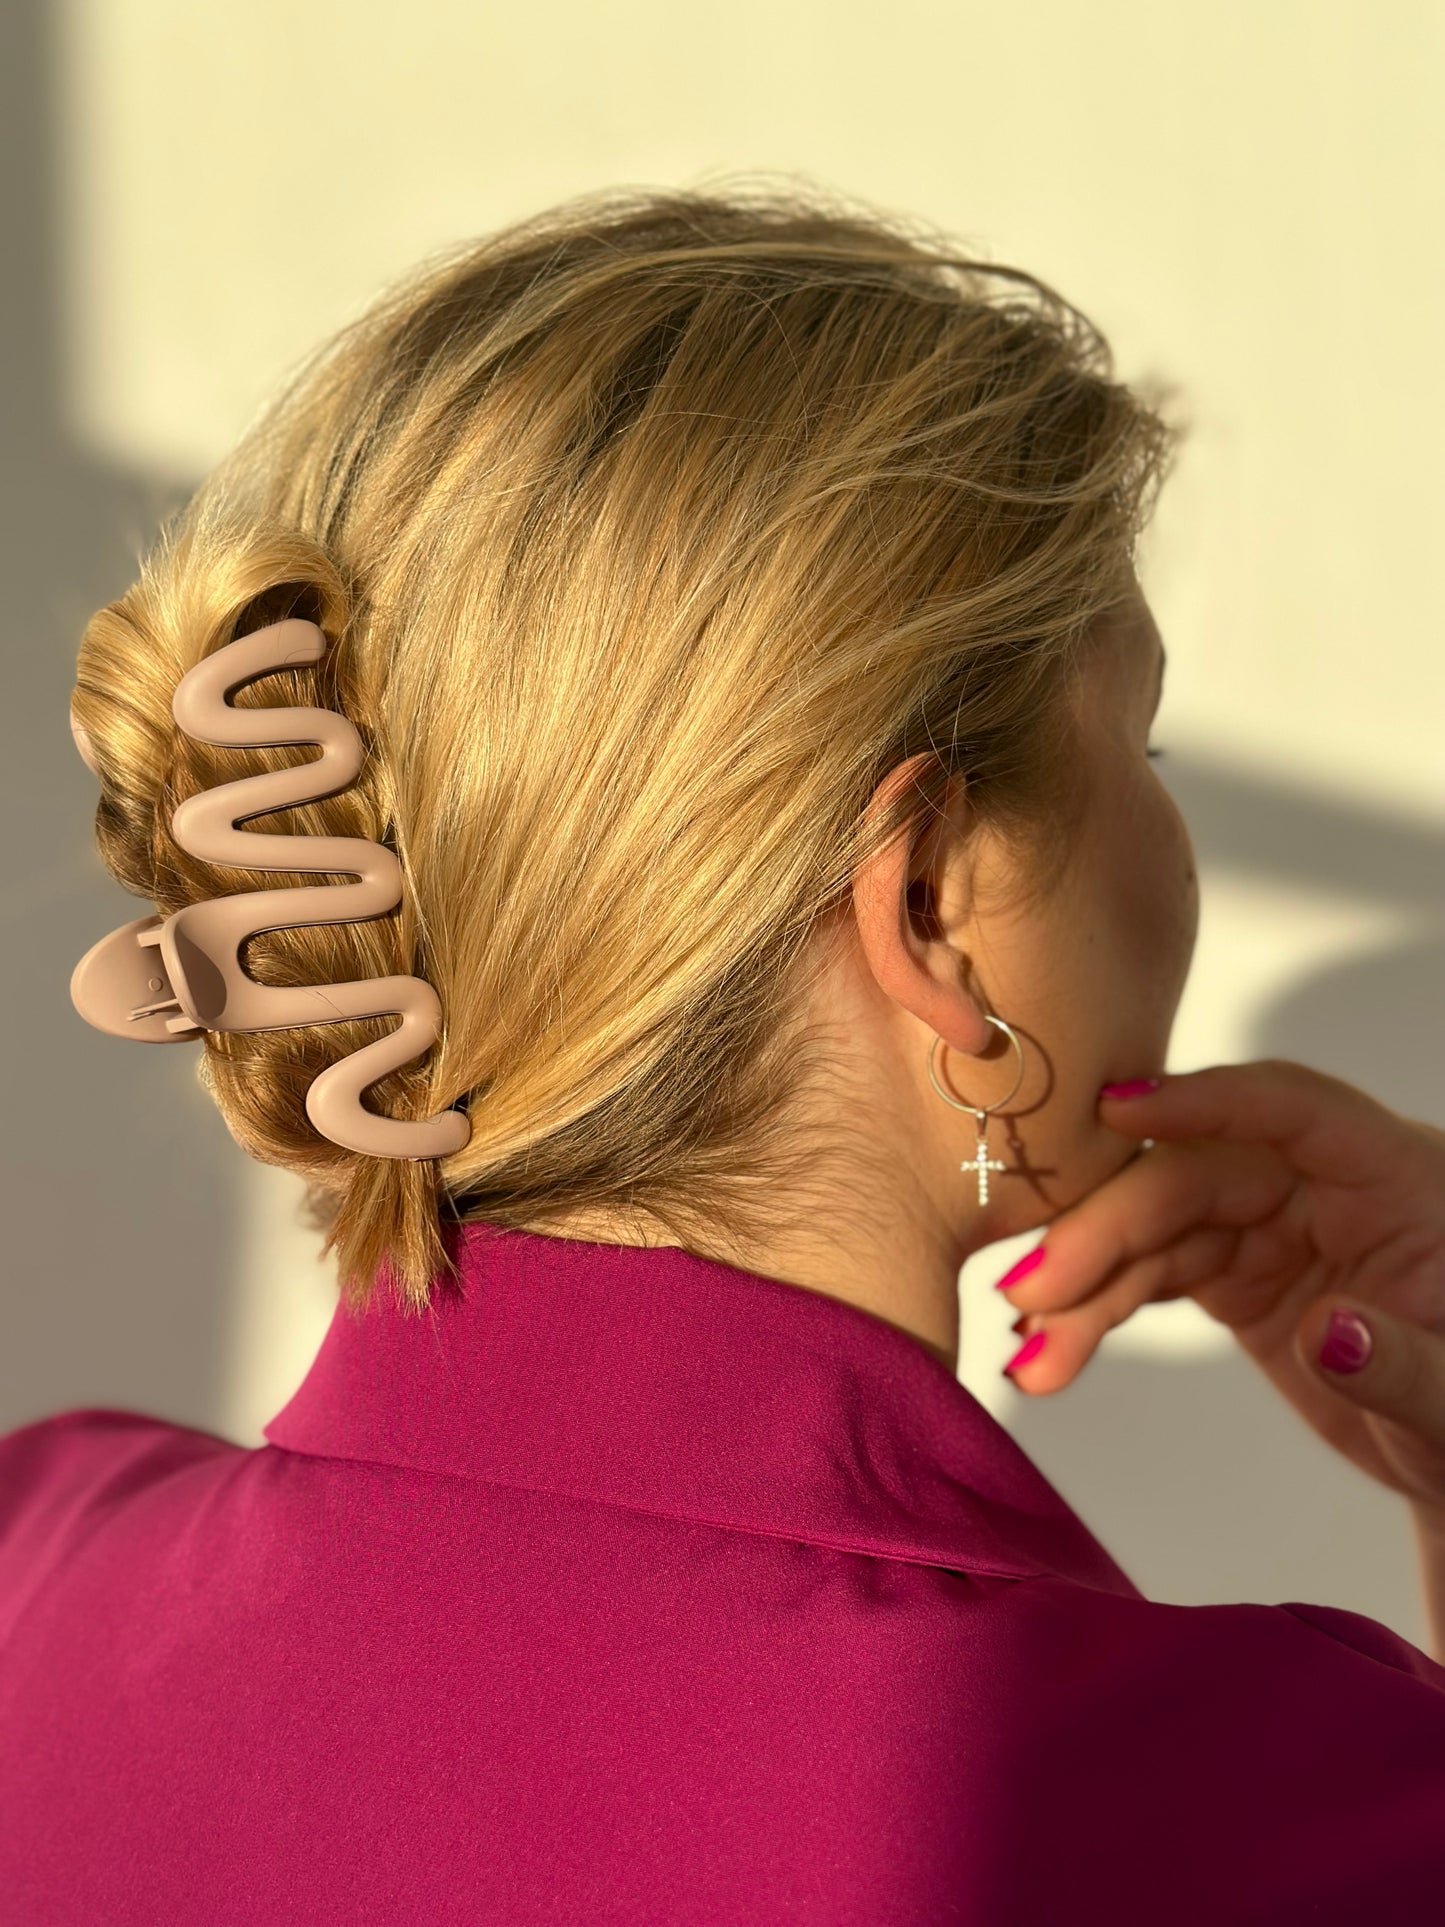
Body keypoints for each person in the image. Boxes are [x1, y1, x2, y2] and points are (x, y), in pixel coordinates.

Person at [3, 181, 1443, 1924]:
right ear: (928, 905)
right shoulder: (1273, 1804)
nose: (1171, 837)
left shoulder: (32, 1566)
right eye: (1136, 743)